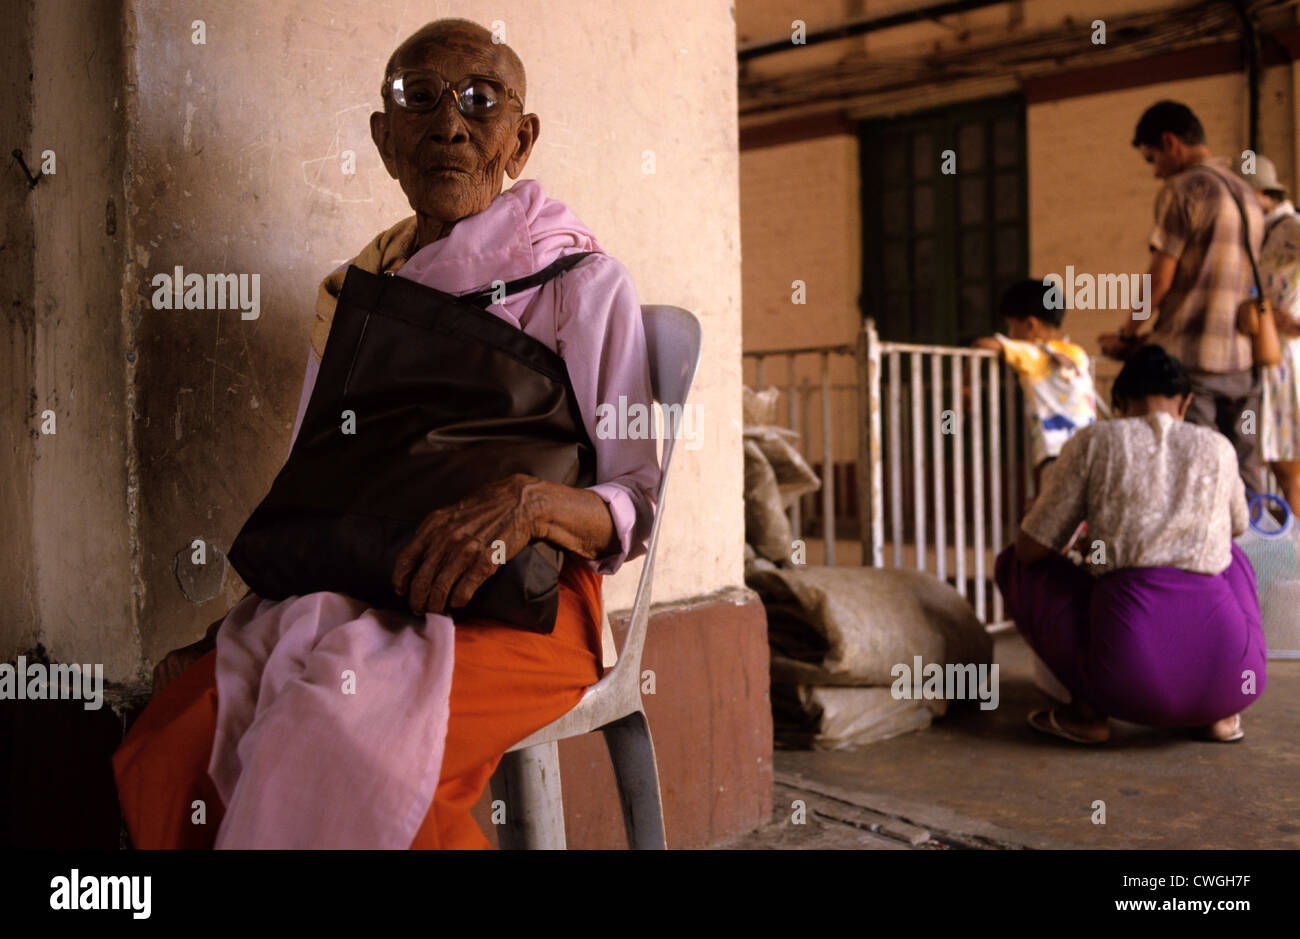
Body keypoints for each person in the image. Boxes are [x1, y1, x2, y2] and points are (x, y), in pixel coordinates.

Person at [113, 19, 661, 849]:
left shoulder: (578, 284)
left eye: (482, 100)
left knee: (346, 748)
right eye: (421, 98)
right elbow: (324, 486)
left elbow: (638, 499)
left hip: (525, 607)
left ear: (521, 139)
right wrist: (231, 621)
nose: (450, 124)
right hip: (360, 589)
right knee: (176, 736)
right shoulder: (358, 298)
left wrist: (532, 505)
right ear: (384, 138)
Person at [995, 345, 1267, 745]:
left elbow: (1032, 548)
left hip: (1125, 682)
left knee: (1015, 564)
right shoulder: (1217, 447)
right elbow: (1238, 526)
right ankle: (1220, 716)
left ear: (1119, 403)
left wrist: (1087, 541)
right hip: (1234, 680)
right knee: (1234, 559)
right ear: (1186, 401)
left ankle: (1087, 714)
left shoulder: (1094, 441)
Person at [1099, 100, 1266, 493]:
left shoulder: (1184, 189)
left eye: (1152, 158)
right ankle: (1258, 554)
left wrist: (1127, 333)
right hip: (1244, 361)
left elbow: (1159, 280)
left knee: (1200, 473)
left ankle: (1205, 556)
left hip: (1195, 359)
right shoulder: (1248, 194)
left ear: (1170, 142)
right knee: (1246, 476)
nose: (1155, 172)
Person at [973, 278, 1097, 492]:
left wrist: (967, 386)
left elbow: (982, 345)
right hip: (1090, 446)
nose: (1010, 335)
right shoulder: (1076, 352)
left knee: (1055, 514)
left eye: (1011, 326)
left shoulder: (1033, 354)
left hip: (1057, 452)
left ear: (1031, 325)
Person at [1237, 154, 1300, 512]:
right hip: (1267, 357)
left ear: (1261, 193)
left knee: (1289, 466)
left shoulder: (1290, 227)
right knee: (1277, 462)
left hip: (1287, 360)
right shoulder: (1263, 235)